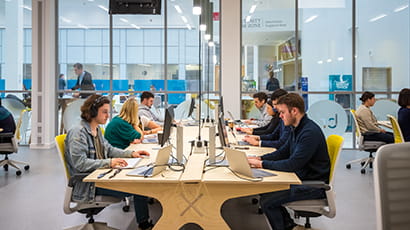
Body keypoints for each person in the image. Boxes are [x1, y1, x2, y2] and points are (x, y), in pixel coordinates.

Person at [64, 95, 154, 230]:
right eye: (104, 112)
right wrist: (109, 162)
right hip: (88, 185)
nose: (108, 115)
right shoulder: (78, 132)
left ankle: (143, 223)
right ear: (93, 112)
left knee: (138, 181)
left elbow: (109, 149)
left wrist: (131, 153)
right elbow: (80, 164)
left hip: (99, 175)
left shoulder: (96, 129)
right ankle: (144, 225)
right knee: (138, 187)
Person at [247, 93, 330, 230]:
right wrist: (260, 159)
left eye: (282, 112)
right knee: (265, 192)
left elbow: (293, 164)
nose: (280, 116)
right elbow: (283, 152)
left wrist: (262, 165)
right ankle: (290, 227)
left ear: (294, 111)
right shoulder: (297, 128)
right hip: (300, 177)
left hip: (313, 185)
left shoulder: (309, 132)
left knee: (268, 201)